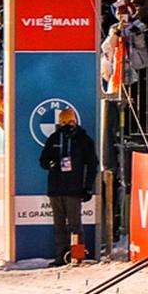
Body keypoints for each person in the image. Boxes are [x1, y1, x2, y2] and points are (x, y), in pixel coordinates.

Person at [36, 108, 98, 264]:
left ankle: (77, 256)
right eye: (64, 123)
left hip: (74, 189)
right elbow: (43, 160)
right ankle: (60, 257)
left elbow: (92, 165)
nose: (67, 126)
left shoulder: (84, 140)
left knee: (75, 225)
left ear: (75, 122)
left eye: (70, 122)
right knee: (59, 226)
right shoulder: (55, 138)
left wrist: (88, 187)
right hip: (56, 189)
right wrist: (52, 164)